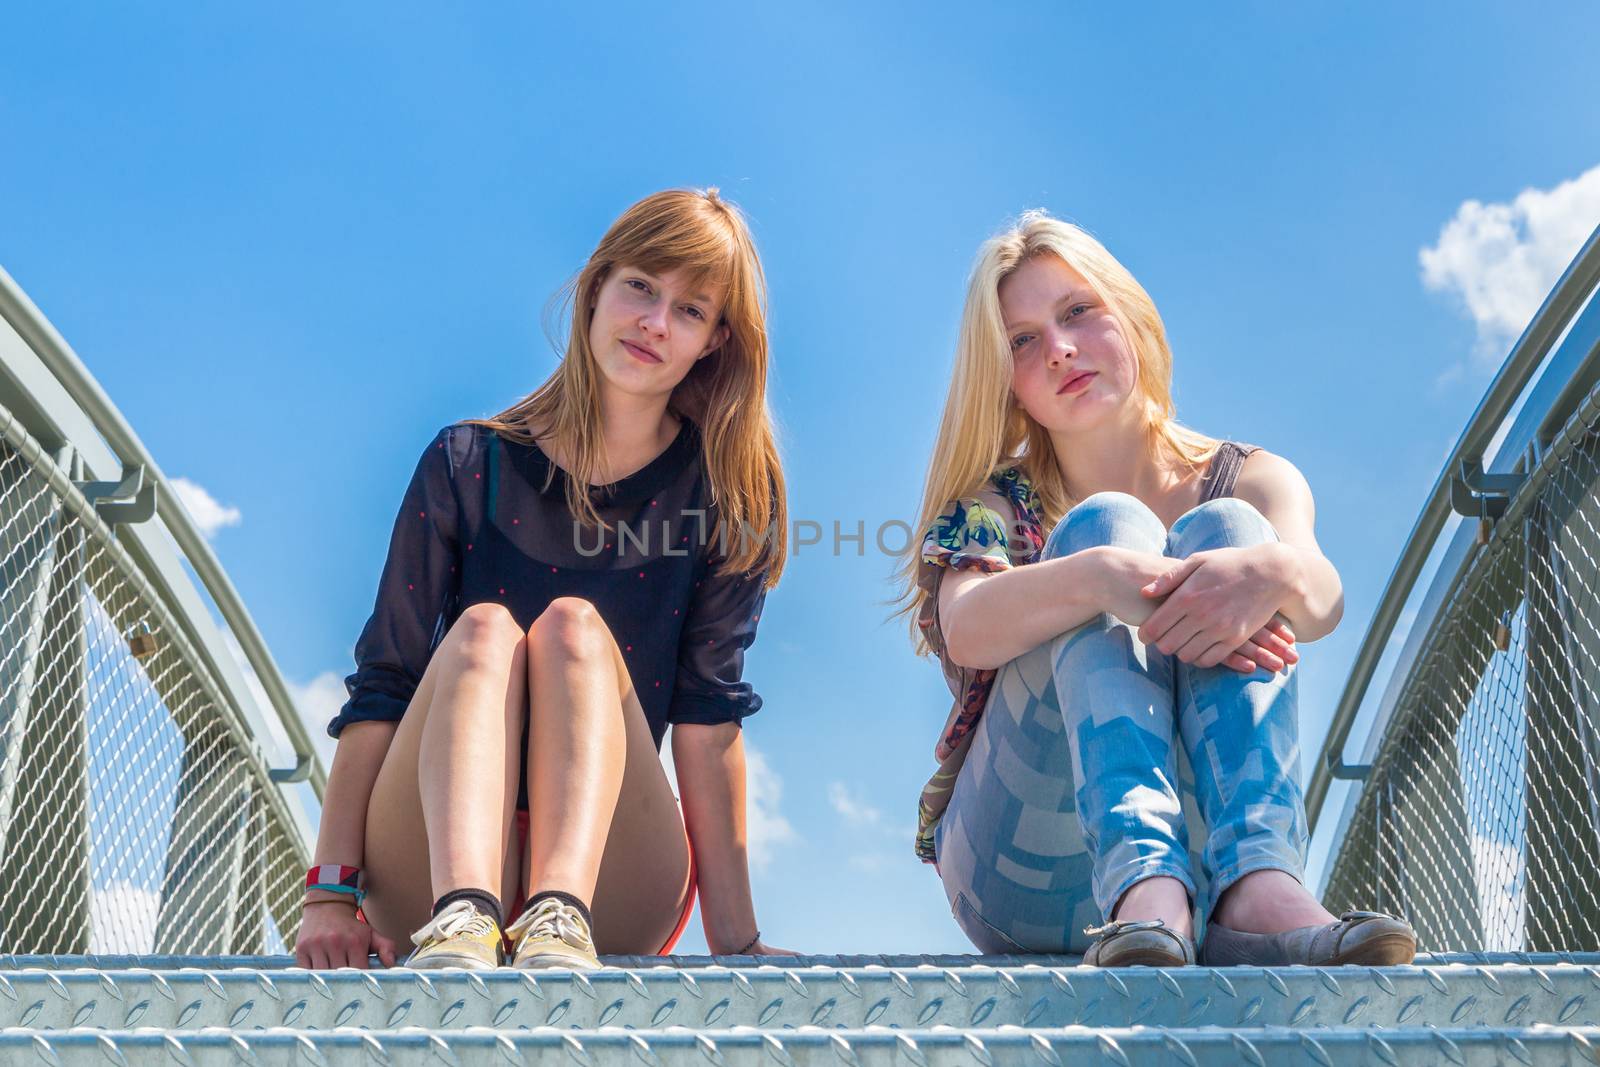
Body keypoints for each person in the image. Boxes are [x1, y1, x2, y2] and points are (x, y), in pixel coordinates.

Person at [899, 210, 1415, 967]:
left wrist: (1269, 571)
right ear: (1006, 384)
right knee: (1104, 526)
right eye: (1022, 340)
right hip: (1023, 872)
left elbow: (1323, 600)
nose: (1061, 349)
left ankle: (1260, 888)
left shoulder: (1251, 475)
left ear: (1132, 319)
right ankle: (1143, 883)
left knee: (1235, 531)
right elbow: (967, 625)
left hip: (1208, 875)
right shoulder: (993, 503)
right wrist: (1100, 575)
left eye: (1078, 312)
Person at [294, 188, 793, 970]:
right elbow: (385, 681)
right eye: (640, 287)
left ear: (714, 342)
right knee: (485, 628)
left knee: (573, 629)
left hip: (613, 879)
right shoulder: (465, 462)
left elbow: (707, 717)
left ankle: (557, 913)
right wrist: (328, 891)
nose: (655, 323)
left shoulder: (727, 498)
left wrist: (737, 940)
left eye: (690, 310)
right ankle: (464, 915)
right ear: (596, 288)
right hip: (429, 869)